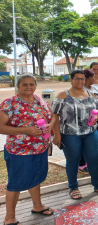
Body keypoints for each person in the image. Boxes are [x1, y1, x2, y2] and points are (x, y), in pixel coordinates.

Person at [1, 75, 55, 225]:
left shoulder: (39, 101)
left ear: (35, 86)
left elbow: (51, 117)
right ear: (18, 86)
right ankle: (9, 218)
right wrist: (26, 130)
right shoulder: (9, 104)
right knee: (15, 184)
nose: (28, 87)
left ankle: (37, 206)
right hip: (19, 152)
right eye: (24, 84)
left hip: (40, 149)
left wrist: (50, 125)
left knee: (35, 178)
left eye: (31, 84)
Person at [52, 70, 98, 200]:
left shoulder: (91, 94)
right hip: (70, 134)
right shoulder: (63, 95)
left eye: (82, 79)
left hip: (90, 133)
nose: (80, 81)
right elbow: (55, 116)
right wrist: (57, 135)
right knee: (73, 160)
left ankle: (97, 185)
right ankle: (73, 187)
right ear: (71, 80)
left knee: (94, 158)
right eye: (77, 79)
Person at [78, 69, 98, 174]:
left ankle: (88, 162)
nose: (95, 78)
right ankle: (81, 164)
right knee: (83, 143)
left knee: (91, 143)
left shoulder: (92, 88)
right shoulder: (82, 90)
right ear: (88, 78)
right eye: (93, 77)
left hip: (96, 120)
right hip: (85, 122)